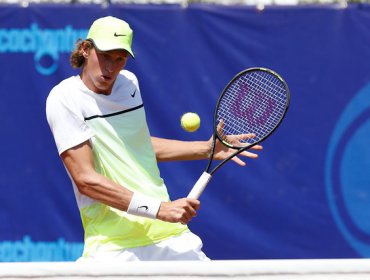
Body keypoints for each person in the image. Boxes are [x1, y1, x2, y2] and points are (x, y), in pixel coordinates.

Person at [46, 16, 262, 262]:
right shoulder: (64, 98)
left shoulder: (129, 85)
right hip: (114, 245)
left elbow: (137, 147)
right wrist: (160, 209)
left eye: (120, 59)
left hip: (169, 236)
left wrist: (206, 149)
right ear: (86, 49)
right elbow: (86, 180)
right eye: (105, 56)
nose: (111, 67)